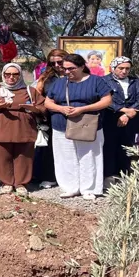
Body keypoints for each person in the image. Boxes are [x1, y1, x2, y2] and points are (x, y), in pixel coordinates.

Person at [44, 53, 113, 200]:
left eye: (71, 68)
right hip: (61, 125)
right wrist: (61, 108)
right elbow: (48, 102)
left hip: (88, 125)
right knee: (65, 157)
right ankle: (70, 187)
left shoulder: (96, 81)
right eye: (65, 69)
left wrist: (83, 109)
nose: (67, 71)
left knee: (89, 156)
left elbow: (107, 101)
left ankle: (89, 189)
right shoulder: (59, 83)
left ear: (82, 67)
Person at [0, 63, 46, 195]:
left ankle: (21, 183)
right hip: (1, 129)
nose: (11, 77)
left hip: (24, 129)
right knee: (2, 157)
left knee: (24, 157)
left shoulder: (29, 90)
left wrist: (34, 109)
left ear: (20, 75)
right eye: (7, 74)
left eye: (15, 74)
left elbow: (42, 107)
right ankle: (7, 183)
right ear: (3, 75)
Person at [102, 56, 139, 180]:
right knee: (110, 147)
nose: (124, 71)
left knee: (128, 147)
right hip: (111, 119)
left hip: (131, 119)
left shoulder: (135, 81)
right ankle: (109, 175)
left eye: (127, 68)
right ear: (113, 68)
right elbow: (105, 100)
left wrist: (127, 114)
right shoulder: (104, 81)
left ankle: (126, 175)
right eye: (120, 68)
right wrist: (123, 110)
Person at [33, 49, 68, 188]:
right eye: (53, 63)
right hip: (51, 116)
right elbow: (37, 95)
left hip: (73, 115)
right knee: (50, 148)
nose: (57, 65)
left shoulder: (75, 74)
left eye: (60, 62)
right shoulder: (46, 78)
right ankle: (49, 176)